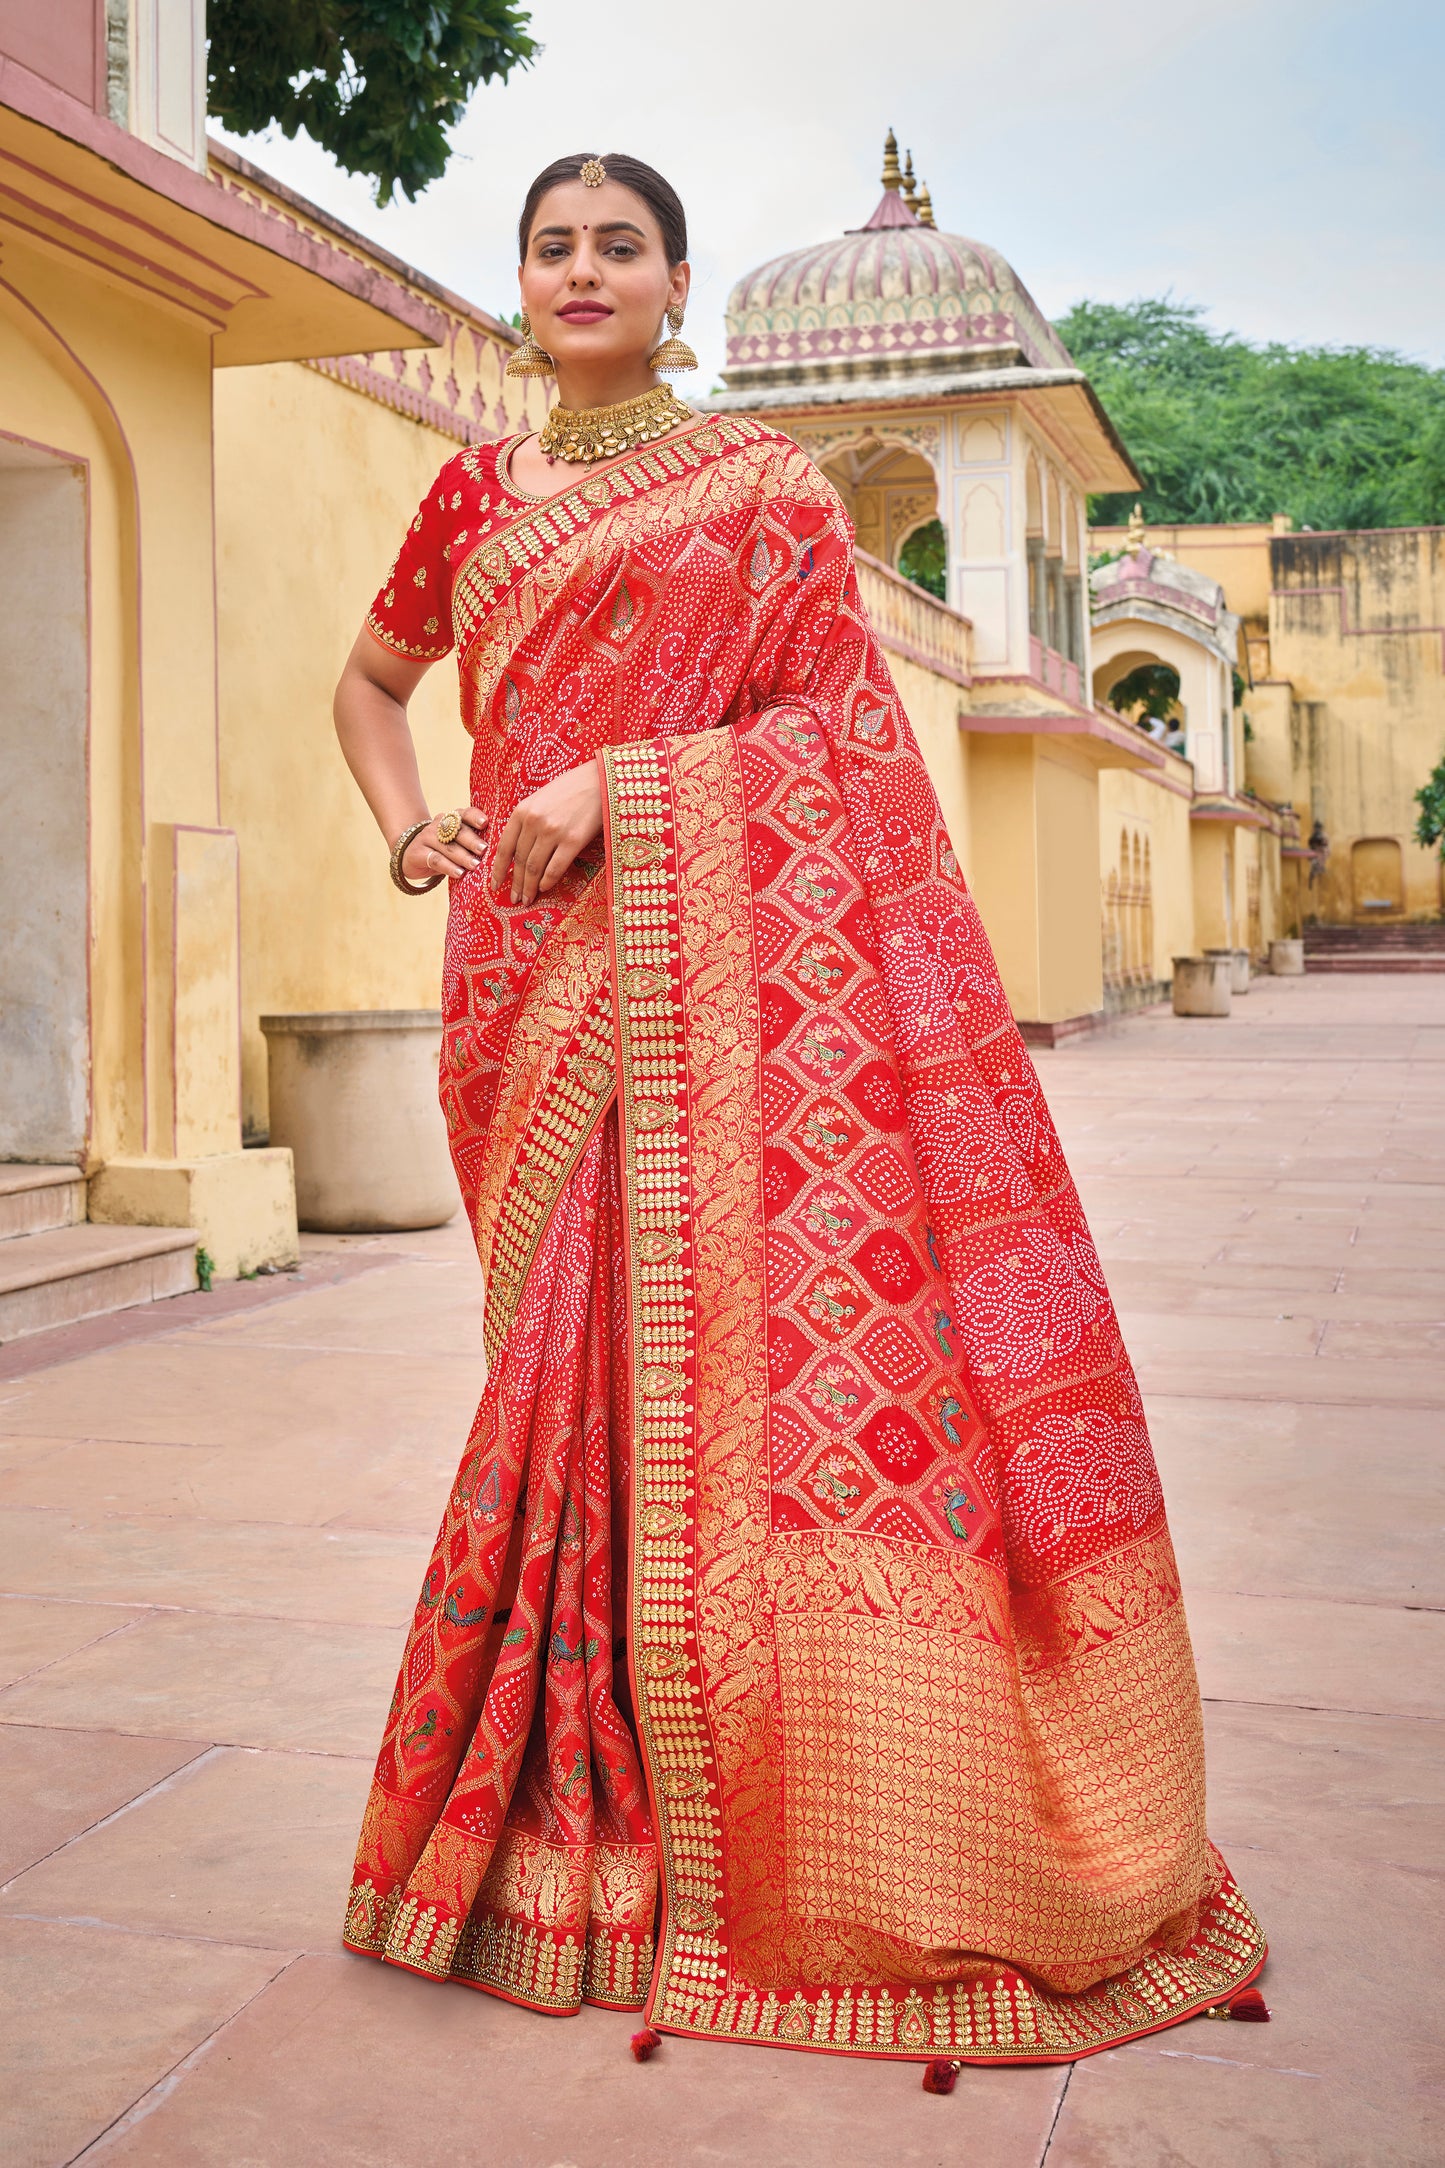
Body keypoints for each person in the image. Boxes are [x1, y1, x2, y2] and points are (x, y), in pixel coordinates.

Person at [333, 151, 1266, 2073]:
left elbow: (831, 733)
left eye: (619, 247)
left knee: (683, 1375)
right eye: (550, 246)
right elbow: (370, 684)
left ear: (676, 288)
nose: (582, 271)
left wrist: (623, 785)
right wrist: (411, 824)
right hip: (520, 982)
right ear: (518, 284)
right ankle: (548, 1815)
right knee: (556, 1372)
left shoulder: (762, 490)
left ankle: (707, 1817)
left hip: (693, 966)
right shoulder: (468, 493)